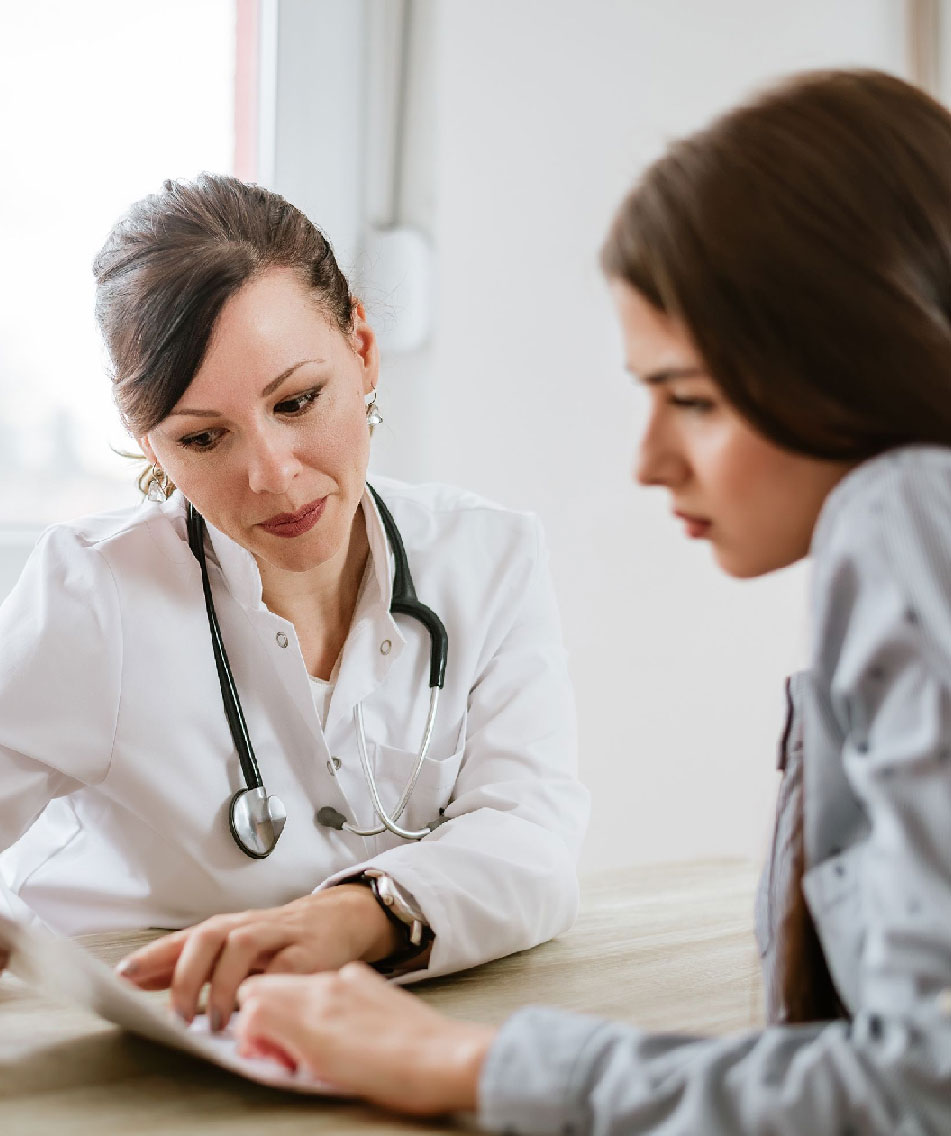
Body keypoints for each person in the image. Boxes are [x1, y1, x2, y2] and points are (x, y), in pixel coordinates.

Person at [227, 69, 951, 1132]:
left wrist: (478, 1065)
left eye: (692, 399)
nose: (650, 461)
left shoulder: (901, 510)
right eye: (201, 435)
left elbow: (914, 1090)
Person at [0, 175, 589, 1023]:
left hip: (371, 1037)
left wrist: (359, 914)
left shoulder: (485, 557)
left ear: (362, 347)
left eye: (297, 401)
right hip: (126, 1046)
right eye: (202, 438)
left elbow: (532, 838)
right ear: (150, 442)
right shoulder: (92, 592)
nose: (272, 476)